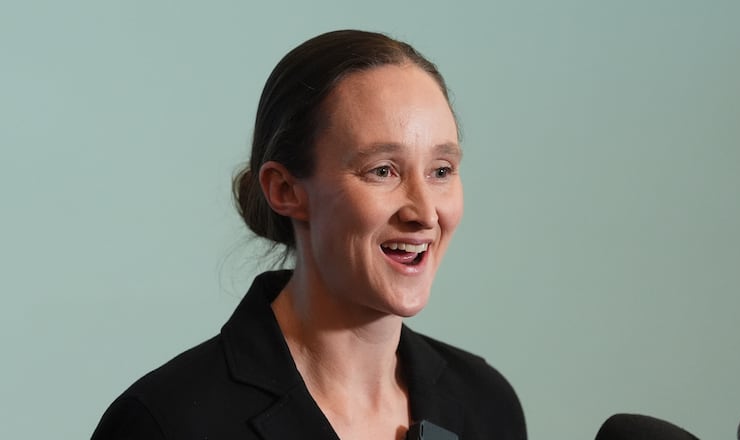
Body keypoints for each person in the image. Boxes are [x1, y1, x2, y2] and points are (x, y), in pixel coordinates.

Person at [91, 29, 527, 440]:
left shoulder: (486, 406)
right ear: (285, 189)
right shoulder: (165, 423)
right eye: (382, 170)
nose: (425, 212)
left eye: (441, 171)